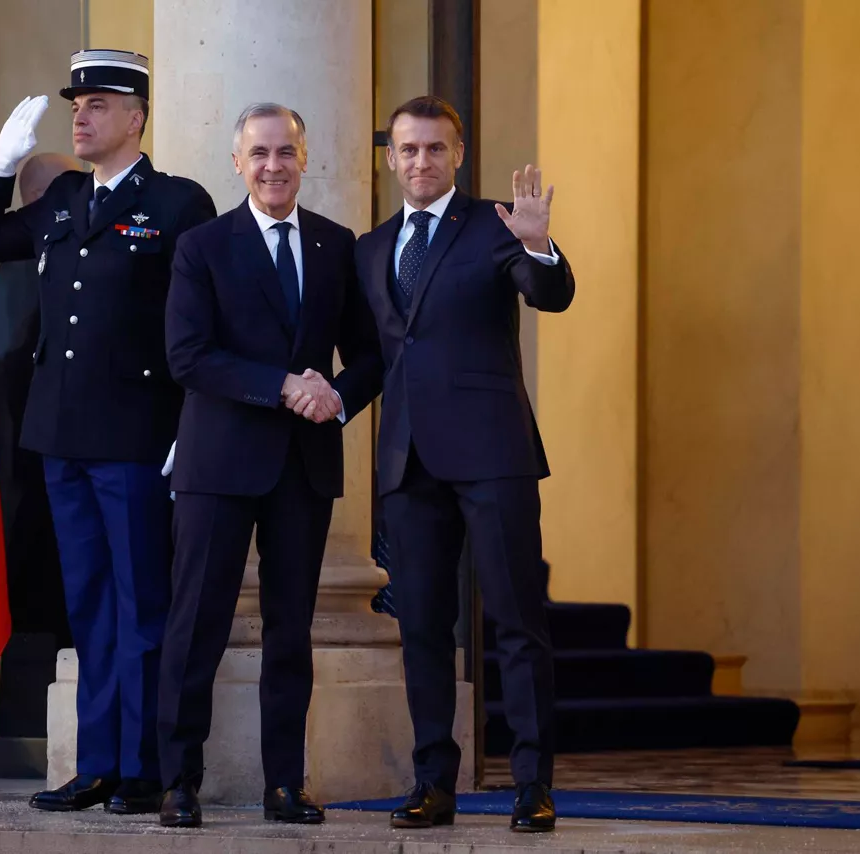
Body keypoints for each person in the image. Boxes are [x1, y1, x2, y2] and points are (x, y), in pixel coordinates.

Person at [0, 49, 216, 815]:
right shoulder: (65, 199)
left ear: (136, 118)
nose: (81, 116)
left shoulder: (177, 204)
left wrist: (188, 422)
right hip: (60, 434)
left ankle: (144, 768)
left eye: (98, 104)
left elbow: (197, 321)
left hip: (135, 434)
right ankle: (96, 763)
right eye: (77, 105)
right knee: (89, 607)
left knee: (140, 606)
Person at [156, 103, 383, 828]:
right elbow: (188, 356)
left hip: (302, 466)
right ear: (238, 163)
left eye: (286, 152)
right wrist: (283, 385)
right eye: (259, 153)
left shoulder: (335, 245)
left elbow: (370, 356)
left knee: (292, 631)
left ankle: (285, 784)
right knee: (197, 625)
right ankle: (178, 782)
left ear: (304, 158)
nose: (273, 165)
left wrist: (335, 397)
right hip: (218, 463)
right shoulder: (201, 246)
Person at [354, 95, 575, 834]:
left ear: (459, 154)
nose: (421, 161)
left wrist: (541, 248)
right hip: (407, 463)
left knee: (516, 621)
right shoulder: (371, 247)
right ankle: (432, 784)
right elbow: (379, 356)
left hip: (492, 454)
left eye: (435, 148)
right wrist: (323, 396)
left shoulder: (495, 225)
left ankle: (533, 785)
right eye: (409, 149)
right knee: (421, 627)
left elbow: (549, 295)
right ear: (391, 158)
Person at [0, 153, 80, 737]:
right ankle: (35, 735)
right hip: (40, 470)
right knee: (44, 609)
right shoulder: (31, 260)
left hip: (42, 472)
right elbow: (18, 366)